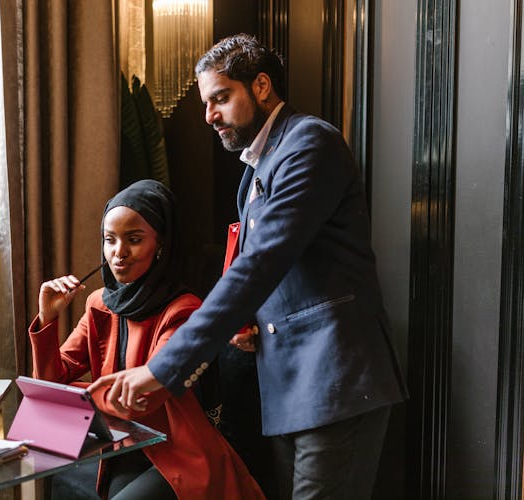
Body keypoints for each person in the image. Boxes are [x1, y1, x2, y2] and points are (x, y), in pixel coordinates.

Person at [89, 34, 409, 499]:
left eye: (221, 97)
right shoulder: (255, 170)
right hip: (286, 387)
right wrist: (248, 321)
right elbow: (266, 272)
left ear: (261, 86)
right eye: (206, 102)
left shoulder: (309, 143)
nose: (209, 115)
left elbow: (260, 264)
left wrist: (161, 370)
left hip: (336, 378)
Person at [28, 179, 264, 499]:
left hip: (177, 454)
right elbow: (50, 382)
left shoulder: (184, 310)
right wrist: (48, 318)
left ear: (161, 246)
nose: (119, 253)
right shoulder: (99, 304)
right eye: (109, 240)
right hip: (122, 449)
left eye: (134, 240)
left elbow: (141, 400)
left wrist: (67, 400)